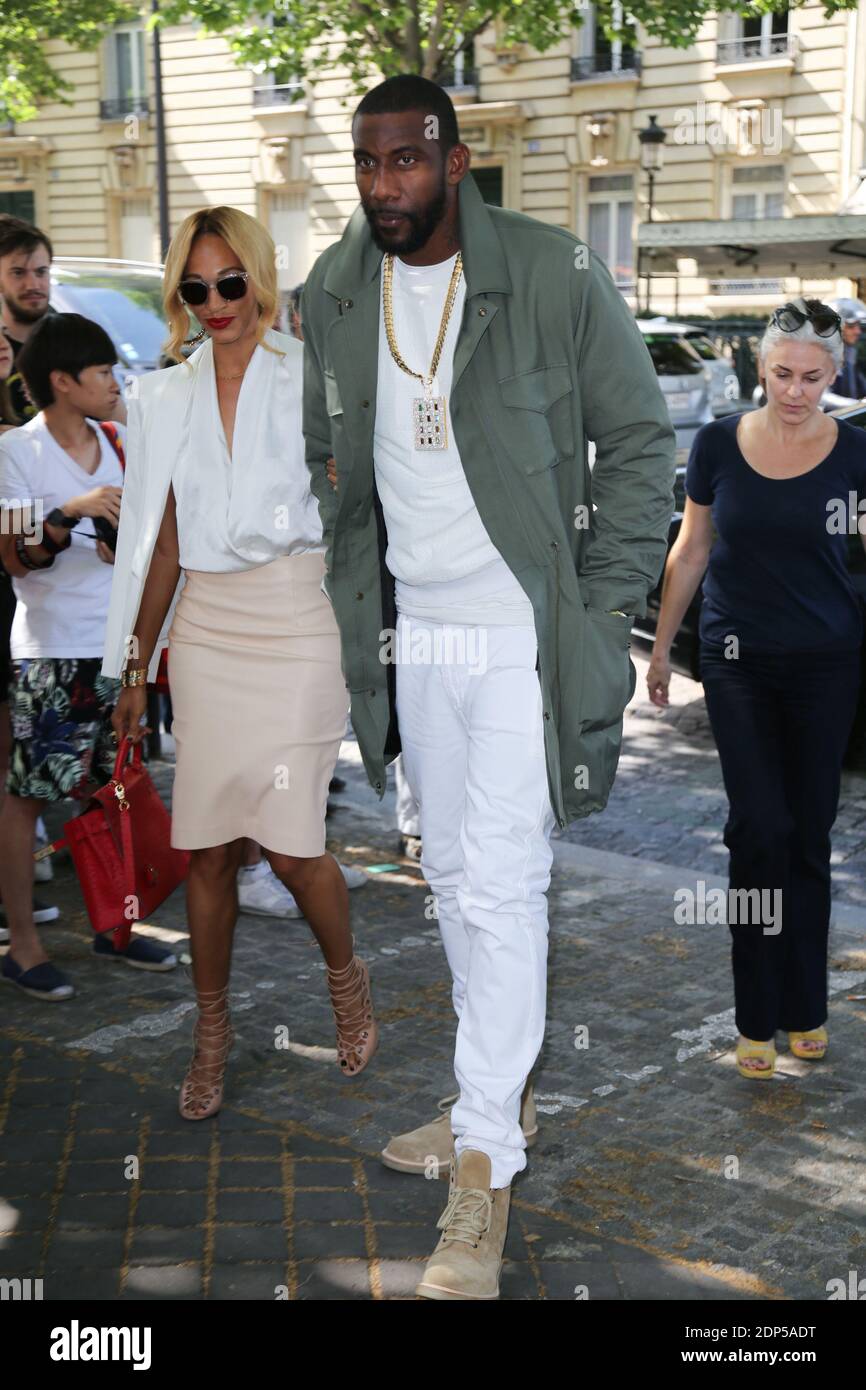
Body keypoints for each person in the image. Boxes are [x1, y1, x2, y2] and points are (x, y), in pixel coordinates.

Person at [302, 74, 675, 1300]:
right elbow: (330, 461)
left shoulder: (552, 270)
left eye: (404, 163)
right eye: (364, 165)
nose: (382, 187)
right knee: (452, 878)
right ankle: (481, 1103)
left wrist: (602, 596)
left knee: (506, 887)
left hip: (516, 631)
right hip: (419, 639)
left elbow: (634, 440)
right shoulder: (337, 287)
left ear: (454, 161)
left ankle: (484, 1165)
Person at [104, 206, 378, 1121]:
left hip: (301, 621)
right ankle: (210, 1035)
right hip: (210, 630)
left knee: (296, 850)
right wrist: (136, 671)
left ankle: (345, 978)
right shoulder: (161, 396)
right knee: (208, 851)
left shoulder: (314, 378)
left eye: (230, 282)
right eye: (195, 287)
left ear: (258, 276)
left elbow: (360, 511)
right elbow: (160, 548)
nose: (215, 302)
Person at [647, 297, 866, 1080]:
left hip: (828, 665)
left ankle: (805, 1006)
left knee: (808, 835)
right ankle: (753, 1013)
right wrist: (665, 648)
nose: (796, 391)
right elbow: (691, 548)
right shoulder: (716, 445)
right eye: (781, 374)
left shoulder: (856, 456)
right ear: (761, 369)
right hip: (737, 665)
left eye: (812, 377)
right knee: (758, 828)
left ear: (833, 374)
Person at [0, 313, 177, 999]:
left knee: (115, 789)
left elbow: (149, 543)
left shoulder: (122, 440)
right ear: (63, 382)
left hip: (120, 646)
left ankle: (119, 924)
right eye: (102, 371)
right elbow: (15, 558)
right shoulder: (19, 451)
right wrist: (69, 512)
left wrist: (114, 541)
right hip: (48, 650)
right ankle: (24, 944)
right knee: (25, 799)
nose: (114, 382)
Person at [830, 309, 866, 401]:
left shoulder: (851, 353)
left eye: (858, 326)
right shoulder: (826, 357)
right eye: (851, 327)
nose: (857, 331)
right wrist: (856, 405)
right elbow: (822, 397)